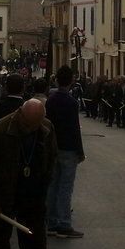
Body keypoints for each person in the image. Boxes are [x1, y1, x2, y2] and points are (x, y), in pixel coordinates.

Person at [0, 99, 57, 249]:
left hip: (33, 196)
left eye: (35, 125)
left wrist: (43, 188)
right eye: (27, 124)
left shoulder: (46, 128)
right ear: (20, 112)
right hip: (5, 194)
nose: (30, 129)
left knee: (36, 243)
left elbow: (51, 159)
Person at [45, 67, 85, 239]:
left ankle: (51, 222)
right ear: (71, 81)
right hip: (68, 149)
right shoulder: (71, 103)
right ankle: (64, 224)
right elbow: (75, 129)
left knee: (53, 185)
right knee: (66, 187)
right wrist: (80, 151)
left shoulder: (50, 101)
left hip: (53, 148)